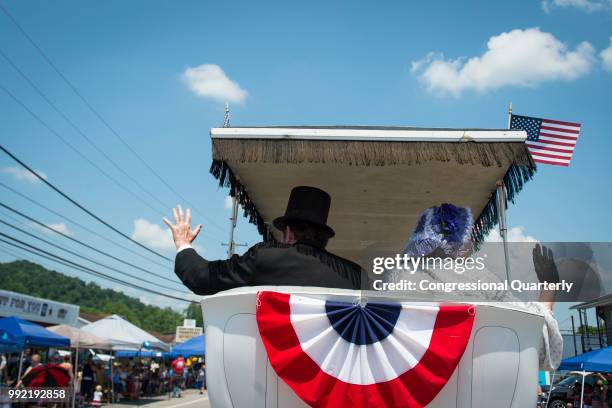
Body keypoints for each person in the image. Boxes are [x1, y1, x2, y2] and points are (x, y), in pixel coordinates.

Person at [164, 187, 362, 295]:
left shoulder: (265, 258)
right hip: (328, 370)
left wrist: (183, 244)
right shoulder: (355, 276)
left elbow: (202, 278)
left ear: (289, 233)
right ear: (324, 239)